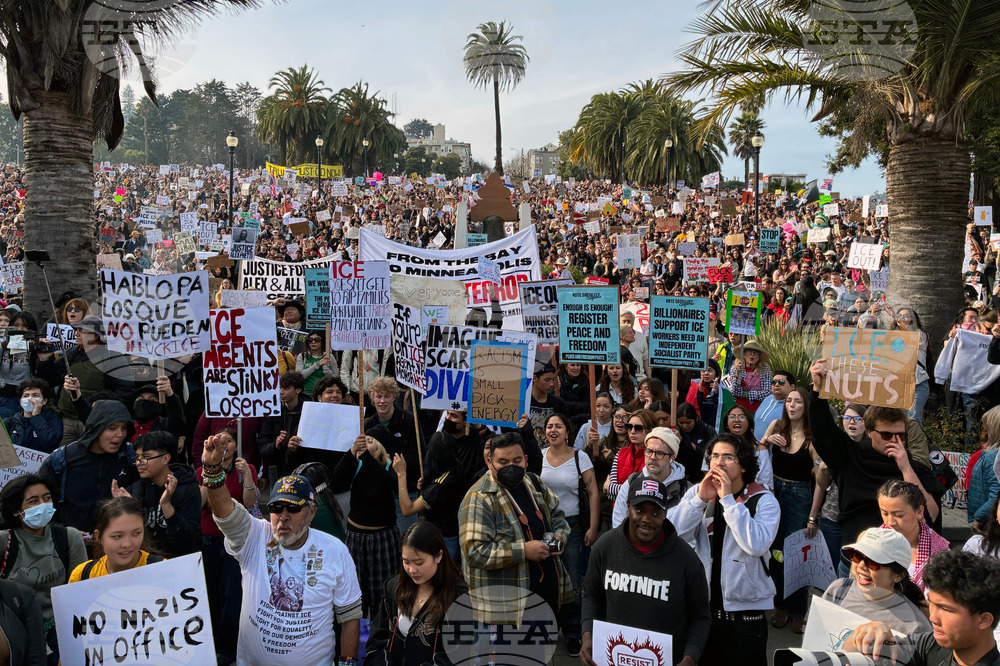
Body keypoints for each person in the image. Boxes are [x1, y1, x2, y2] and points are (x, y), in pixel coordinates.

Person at [202, 432, 363, 664]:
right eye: (277, 508)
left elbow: (350, 617)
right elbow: (223, 510)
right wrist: (212, 470)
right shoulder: (254, 536)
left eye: (293, 509)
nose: (283, 517)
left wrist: (348, 663)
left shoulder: (335, 550)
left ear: (312, 512)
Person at [808, 360, 944, 577]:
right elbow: (823, 433)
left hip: (900, 569)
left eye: (900, 435)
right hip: (856, 563)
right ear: (870, 432)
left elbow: (932, 513)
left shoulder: (915, 467)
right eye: (887, 435)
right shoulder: (850, 457)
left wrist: (906, 468)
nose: (894, 440)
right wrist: (817, 390)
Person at [458, 432, 576, 653]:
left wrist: (560, 535)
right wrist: (523, 551)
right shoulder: (479, 499)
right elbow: (474, 552)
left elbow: (558, 515)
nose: (510, 467)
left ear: (526, 460)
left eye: (516, 461)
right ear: (489, 461)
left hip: (543, 603)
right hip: (504, 613)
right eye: (503, 462)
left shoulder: (533, 482)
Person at [671, 433, 780, 666]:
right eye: (715, 456)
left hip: (746, 620)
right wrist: (699, 500)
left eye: (728, 457)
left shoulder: (764, 500)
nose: (719, 463)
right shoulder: (699, 492)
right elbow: (673, 535)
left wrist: (729, 501)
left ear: (743, 465)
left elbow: (756, 544)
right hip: (704, 614)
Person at [581, 477, 711, 666]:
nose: (647, 519)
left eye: (655, 513)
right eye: (639, 510)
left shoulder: (687, 561)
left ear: (665, 513)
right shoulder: (605, 547)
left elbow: (700, 617)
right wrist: (587, 635)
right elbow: (591, 596)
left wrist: (690, 658)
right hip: (611, 658)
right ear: (628, 508)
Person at [845, 550, 1000, 666]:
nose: (933, 617)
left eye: (946, 609)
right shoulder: (929, 645)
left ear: (984, 620)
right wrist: (863, 635)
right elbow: (851, 653)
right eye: (931, 603)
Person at [0, 474, 87, 657]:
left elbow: (79, 591)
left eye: (47, 498)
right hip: (16, 634)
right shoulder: (4, 541)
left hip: (58, 634)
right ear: (17, 510)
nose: (42, 504)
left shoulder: (68, 537)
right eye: (33, 501)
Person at [365, 522, 467, 666]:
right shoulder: (394, 587)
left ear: (438, 556)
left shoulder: (459, 598)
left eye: (419, 563)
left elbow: (456, 656)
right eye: (406, 562)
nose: (412, 570)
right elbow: (377, 640)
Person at [196, 427, 258, 666]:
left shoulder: (246, 469)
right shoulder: (204, 470)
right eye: (220, 441)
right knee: (209, 592)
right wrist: (212, 473)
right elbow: (201, 502)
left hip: (236, 542)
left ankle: (227, 650)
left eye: (230, 440)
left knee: (232, 595)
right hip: (208, 540)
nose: (226, 444)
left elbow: (249, 502)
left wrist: (249, 478)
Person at [539, 412, 599, 648]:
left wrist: (593, 527)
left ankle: (574, 633)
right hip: (543, 528)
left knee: (573, 583)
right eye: (549, 426)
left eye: (558, 426)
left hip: (572, 529)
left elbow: (593, 493)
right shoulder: (538, 456)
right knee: (546, 582)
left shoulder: (579, 458)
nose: (553, 430)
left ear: (567, 432)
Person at [761, 386, 817, 632]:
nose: (792, 405)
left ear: (806, 407)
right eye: (789, 401)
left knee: (796, 554)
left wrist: (814, 516)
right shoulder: (776, 426)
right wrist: (765, 440)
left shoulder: (812, 437)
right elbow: (757, 456)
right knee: (776, 554)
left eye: (798, 402)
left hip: (800, 496)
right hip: (775, 494)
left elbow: (820, 479)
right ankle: (780, 606)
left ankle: (798, 610)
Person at [38, 399, 137, 533]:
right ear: (96, 428)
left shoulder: (130, 459)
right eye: (112, 428)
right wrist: (65, 532)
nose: (119, 435)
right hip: (68, 544)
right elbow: (40, 506)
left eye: (124, 428)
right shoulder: (61, 459)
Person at [334, 427, 400, 621]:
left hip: (383, 538)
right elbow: (337, 481)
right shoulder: (357, 464)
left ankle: (382, 638)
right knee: (356, 592)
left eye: (369, 441)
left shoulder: (391, 467)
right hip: (356, 537)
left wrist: (367, 458)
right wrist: (352, 452)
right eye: (363, 440)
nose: (364, 444)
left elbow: (384, 483)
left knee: (383, 594)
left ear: (380, 447)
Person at [822, 528, 931, 634]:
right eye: (856, 556)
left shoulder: (915, 626)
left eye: (872, 562)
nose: (861, 565)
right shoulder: (838, 589)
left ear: (898, 575)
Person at [112, 431, 201, 558]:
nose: (139, 462)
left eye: (146, 457)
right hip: (147, 564)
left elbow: (188, 541)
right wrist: (130, 508)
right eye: (137, 457)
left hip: (180, 564)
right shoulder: (135, 490)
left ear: (165, 459)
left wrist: (166, 506)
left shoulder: (187, 488)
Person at [68, 496, 164, 581]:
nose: (127, 544)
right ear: (99, 536)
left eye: (136, 533)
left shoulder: (163, 570)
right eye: (117, 536)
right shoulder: (82, 575)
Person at [879, 479, 950, 593]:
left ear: (919, 512)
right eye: (885, 513)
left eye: (899, 515)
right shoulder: (872, 542)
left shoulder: (939, 550)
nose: (890, 522)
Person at [611, 427, 689, 527]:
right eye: (649, 451)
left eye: (659, 453)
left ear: (672, 458)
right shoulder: (632, 482)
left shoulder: (685, 489)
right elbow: (619, 521)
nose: (652, 457)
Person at [605, 408, 657, 502]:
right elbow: (610, 495)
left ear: (650, 430)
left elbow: (645, 493)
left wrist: (611, 488)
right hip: (618, 514)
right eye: (629, 426)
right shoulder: (621, 453)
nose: (632, 431)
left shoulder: (654, 457)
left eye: (638, 428)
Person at [3, 378, 62, 453]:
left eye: (35, 395)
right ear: (21, 400)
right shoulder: (9, 423)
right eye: (26, 396)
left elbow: (49, 442)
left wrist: (36, 416)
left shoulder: (53, 421)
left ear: (44, 401)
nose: (30, 399)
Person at [896, 307, 931, 422]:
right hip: (898, 385)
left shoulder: (921, 335)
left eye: (907, 315)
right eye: (900, 316)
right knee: (898, 420)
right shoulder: (893, 337)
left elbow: (911, 337)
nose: (904, 318)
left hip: (917, 384)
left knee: (914, 420)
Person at [970, 405, 1000, 533]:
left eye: (985, 426)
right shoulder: (990, 452)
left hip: (988, 524)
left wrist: (979, 518)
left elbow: (996, 495)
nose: (983, 429)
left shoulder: (995, 456)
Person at [684, 359, 734, 432]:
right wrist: (699, 393)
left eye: (710, 370)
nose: (706, 373)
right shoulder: (694, 388)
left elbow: (727, 411)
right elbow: (691, 409)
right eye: (703, 371)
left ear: (717, 374)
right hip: (700, 429)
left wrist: (717, 395)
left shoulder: (724, 391)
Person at [724, 339, 773, 413]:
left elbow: (767, 392)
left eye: (755, 352)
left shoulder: (765, 369)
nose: (752, 354)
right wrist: (738, 373)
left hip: (759, 409)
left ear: (759, 356)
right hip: (740, 409)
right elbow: (736, 392)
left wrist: (747, 394)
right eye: (749, 351)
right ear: (743, 354)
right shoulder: (735, 368)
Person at [674, 402, 716, 484]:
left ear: (696, 419)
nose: (685, 426)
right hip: (680, 476)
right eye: (681, 423)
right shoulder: (675, 431)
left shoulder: (707, 431)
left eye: (688, 422)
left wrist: (695, 448)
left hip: (700, 476)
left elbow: (712, 456)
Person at [753, 369, 795, 441]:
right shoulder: (767, 399)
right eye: (773, 382)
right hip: (755, 448)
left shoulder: (792, 406)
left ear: (792, 386)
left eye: (781, 382)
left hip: (774, 450)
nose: (776, 384)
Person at [296, 332, 334, 396]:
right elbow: (299, 377)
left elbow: (334, 378)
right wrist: (317, 364)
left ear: (322, 341)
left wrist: (325, 368)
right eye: (310, 340)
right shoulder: (302, 356)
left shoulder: (329, 356)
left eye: (317, 340)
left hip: (324, 394)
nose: (313, 342)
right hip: (305, 394)